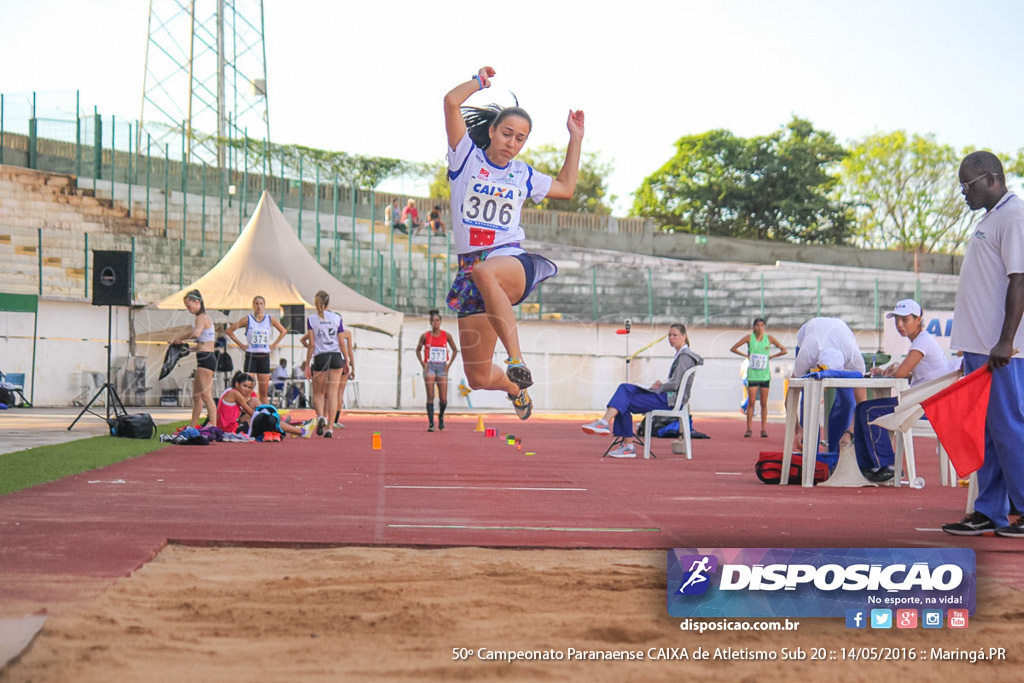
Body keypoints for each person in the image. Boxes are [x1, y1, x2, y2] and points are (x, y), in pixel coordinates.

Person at [443, 65, 584, 420]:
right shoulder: (466, 158)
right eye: (507, 134)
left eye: (521, 138)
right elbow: (450, 102)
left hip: (510, 260)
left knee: (485, 272)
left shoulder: (523, 174)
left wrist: (575, 138)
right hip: (471, 266)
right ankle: (514, 387)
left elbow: (566, 188)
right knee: (477, 378)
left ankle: (516, 359)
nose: (512, 143)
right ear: (492, 131)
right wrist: (478, 83)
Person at [942, 151, 1024, 538]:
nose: (963, 193)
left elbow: (1020, 280)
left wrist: (1006, 340)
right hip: (979, 347)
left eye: (967, 184)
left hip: (1001, 350)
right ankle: (989, 511)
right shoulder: (990, 219)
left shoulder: (1014, 215)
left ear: (992, 179)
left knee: (1008, 428)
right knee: (987, 432)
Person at [853, 299, 955, 482]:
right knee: (862, 408)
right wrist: (888, 370)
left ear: (918, 319)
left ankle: (887, 466)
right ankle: (870, 466)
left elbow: (901, 374)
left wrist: (893, 370)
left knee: (868, 410)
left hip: (926, 406)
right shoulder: (920, 341)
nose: (900, 324)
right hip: (921, 402)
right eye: (897, 320)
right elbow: (905, 372)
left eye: (905, 319)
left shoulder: (922, 342)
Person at [581, 324, 702, 458]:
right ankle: (625, 444)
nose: (671, 338)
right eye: (669, 335)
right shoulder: (681, 355)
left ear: (684, 336)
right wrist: (661, 385)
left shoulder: (685, 356)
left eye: (674, 335)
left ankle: (608, 427)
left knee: (624, 394)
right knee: (623, 395)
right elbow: (675, 382)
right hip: (666, 396)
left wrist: (659, 388)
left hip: (668, 400)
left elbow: (675, 384)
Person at [790, 317, 867, 454]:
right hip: (810, 335)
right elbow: (790, 398)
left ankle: (836, 452)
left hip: (839, 336)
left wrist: (850, 431)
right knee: (807, 397)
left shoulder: (855, 361)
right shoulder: (807, 354)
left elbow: (862, 401)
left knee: (848, 401)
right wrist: (798, 429)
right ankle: (809, 450)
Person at [730, 317, 787, 438]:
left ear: (764, 327)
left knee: (763, 403)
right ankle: (749, 428)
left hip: (765, 375)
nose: (759, 327)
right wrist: (746, 355)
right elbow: (733, 348)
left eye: (762, 325)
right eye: (757, 325)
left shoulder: (769, 338)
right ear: (753, 327)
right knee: (751, 402)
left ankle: (763, 429)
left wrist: (771, 357)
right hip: (753, 375)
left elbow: (784, 350)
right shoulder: (749, 338)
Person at [225, 296, 288, 405]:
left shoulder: (269, 319)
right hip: (251, 356)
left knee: (263, 392)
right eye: (256, 304)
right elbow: (229, 331)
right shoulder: (247, 319)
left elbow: (283, 331)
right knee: (247, 389)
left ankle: (264, 413)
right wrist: (241, 345)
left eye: (261, 303)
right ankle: (246, 413)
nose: (259, 306)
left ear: (264, 306)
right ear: (253, 306)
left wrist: (273, 345)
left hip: (264, 356)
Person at [302, 290, 346, 438]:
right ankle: (330, 428)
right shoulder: (336, 318)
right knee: (333, 394)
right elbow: (341, 341)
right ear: (328, 303)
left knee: (318, 392)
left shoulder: (311, 319)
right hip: (335, 356)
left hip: (320, 356)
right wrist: (347, 360)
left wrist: (307, 364)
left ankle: (321, 416)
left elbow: (312, 344)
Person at [171, 289, 218, 427]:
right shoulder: (203, 317)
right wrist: (186, 348)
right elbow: (202, 343)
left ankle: (214, 426)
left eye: (189, 305)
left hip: (206, 359)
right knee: (197, 396)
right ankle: (192, 425)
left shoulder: (201, 317)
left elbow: (197, 333)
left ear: (197, 302)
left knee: (206, 396)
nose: (188, 309)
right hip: (204, 356)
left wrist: (180, 337)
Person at [415, 309, 459, 431]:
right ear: (430, 322)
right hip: (430, 366)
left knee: (443, 398)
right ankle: (431, 424)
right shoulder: (425, 336)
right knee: (430, 396)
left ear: (441, 322)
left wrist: (448, 365)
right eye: (433, 321)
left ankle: (440, 416)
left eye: (437, 320)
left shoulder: (446, 335)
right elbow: (417, 350)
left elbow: (455, 350)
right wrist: (423, 363)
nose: (435, 323)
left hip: (442, 367)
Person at [332, 328, 354, 429]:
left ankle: (327, 419)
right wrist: (352, 366)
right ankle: (335, 420)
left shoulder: (328, 331)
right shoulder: (347, 333)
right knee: (340, 392)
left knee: (330, 393)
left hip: (332, 361)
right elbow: (350, 351)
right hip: (344, 361)